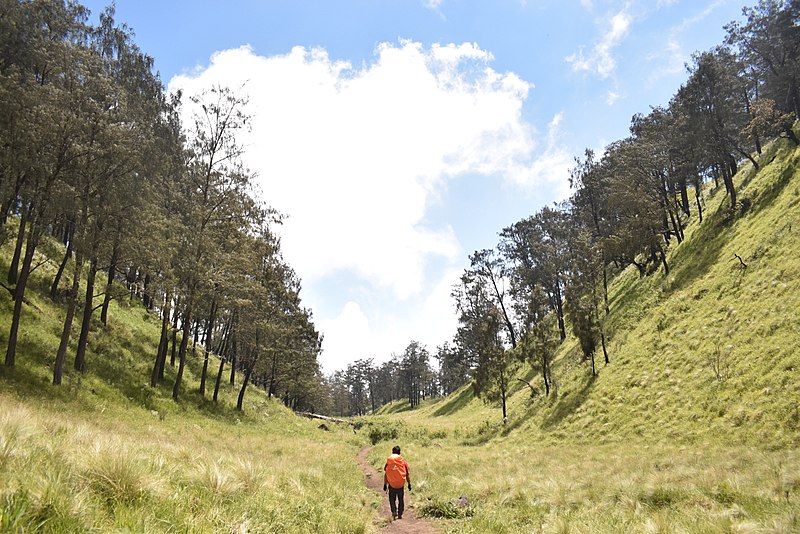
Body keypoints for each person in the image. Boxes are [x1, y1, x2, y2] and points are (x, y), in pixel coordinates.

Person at [383, 445, 412, 520]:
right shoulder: (403, 463)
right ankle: (400, 513)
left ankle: (394, 511)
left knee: (392, 499)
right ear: (399, 453)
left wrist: (385, 484)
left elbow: (386, 472)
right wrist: (409, 484)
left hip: (392, 484)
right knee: (401, 499)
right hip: (400, 484)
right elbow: (407, 474)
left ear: (392, 452)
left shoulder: (389, 462)